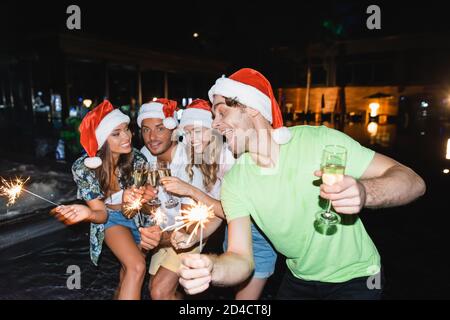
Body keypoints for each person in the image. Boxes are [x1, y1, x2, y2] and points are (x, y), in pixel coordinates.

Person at [177, 68, 426, 299]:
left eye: (221, 112)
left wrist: (365, 192)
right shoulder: (235, 182)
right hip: (299, 278)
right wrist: (213, 268)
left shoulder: (318, 142)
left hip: (358, 277)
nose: (215, 124)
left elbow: (413, 181)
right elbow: (241, 257)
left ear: (251, 107)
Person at [163, 99, 277, 300]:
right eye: (187, 133)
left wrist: (190, 191)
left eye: (196, 131)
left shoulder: (234, 157)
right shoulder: (205, 161)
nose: (191, 138)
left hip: (258, 238)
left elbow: (231, 210)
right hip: (234, 237)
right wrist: (194, 236)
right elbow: (223, 214)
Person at [53, 100, 159, 300]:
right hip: (110, 218)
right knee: (136, 266)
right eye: (116, 133)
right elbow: (101, 214)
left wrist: (145, 196)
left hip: (139, 219)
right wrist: (88, 213)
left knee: (128, 272)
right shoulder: (83, 168)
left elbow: (138, 206)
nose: (127, 136)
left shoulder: (138, 160)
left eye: (126, 129)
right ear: (102, 140)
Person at [136, 98, 208, 300]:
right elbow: (144, 205)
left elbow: (189, 227)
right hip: (164, 228)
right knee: (155, 288)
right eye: (145, 130)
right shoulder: (145, 156)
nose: (151, 137)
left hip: (193, 231)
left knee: (159, 290)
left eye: (160, 129)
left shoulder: (189, 162)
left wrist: (159, 239)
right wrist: (142, 202)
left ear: (173, 130)